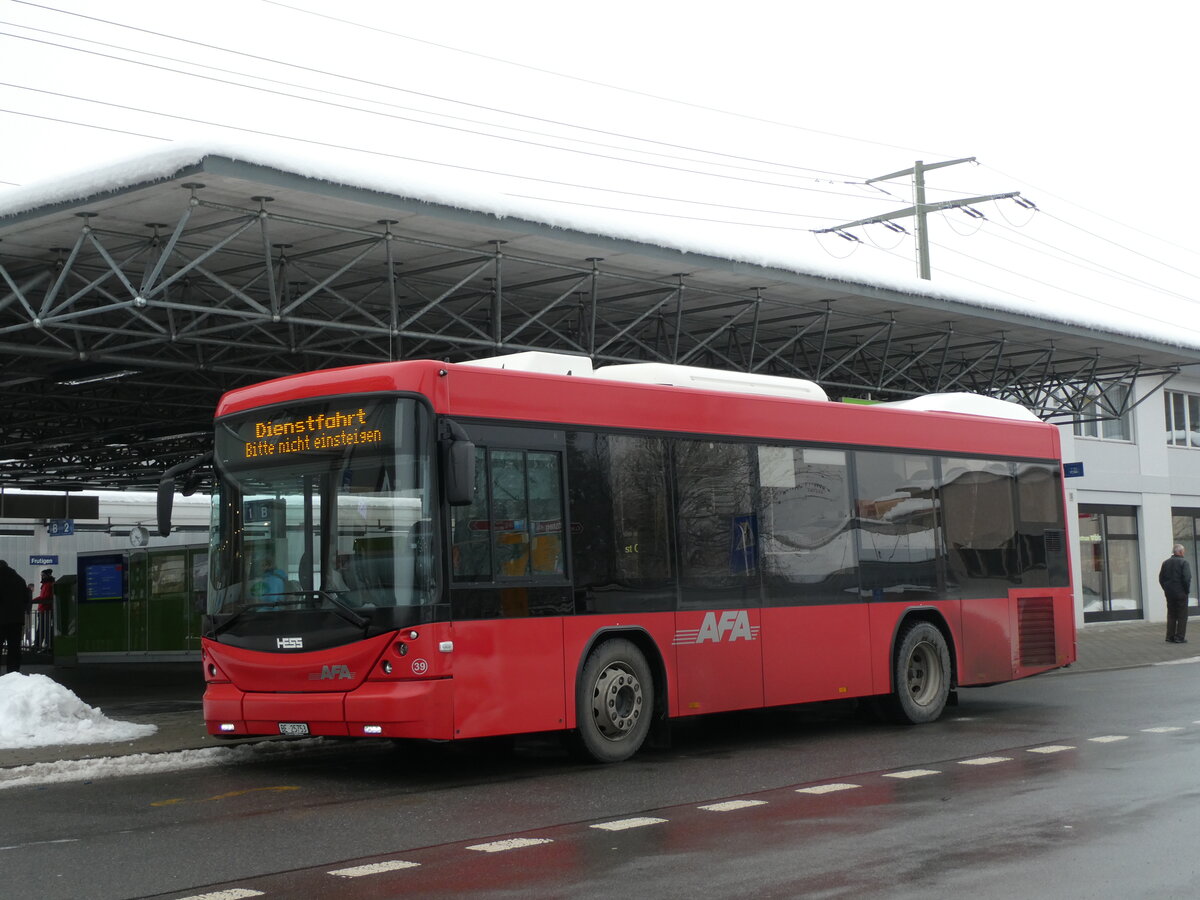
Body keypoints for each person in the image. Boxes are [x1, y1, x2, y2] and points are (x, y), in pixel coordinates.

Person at [0, 559, 33, 672]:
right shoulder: (19, 580)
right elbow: (26, 598)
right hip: (16, 620)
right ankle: (13, 673)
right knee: (14, 648)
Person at [1158, 544, 1192, 644]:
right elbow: (1187, 578)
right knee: (1182, 615)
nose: (1184, 552)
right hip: (1181, 593)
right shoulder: (1184, 562)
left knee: (1171, 614)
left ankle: (1170, 636)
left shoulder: (1165, 563)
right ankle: (1179, 637)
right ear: (1180, 552)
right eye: (1183, 551)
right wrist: (1186, 590)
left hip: (1169, 593)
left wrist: (1166, 589)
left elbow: (1161, 578)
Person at [34, 569, 54, 652]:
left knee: (43, 629)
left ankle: (39, 646)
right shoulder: (47, 585)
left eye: (43, 575)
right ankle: (44, 645)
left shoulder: (47, 585)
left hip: (45, 610)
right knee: (44, 629)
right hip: (45, 610)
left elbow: (45, 597)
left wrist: (33, 600)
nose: (42, 577)